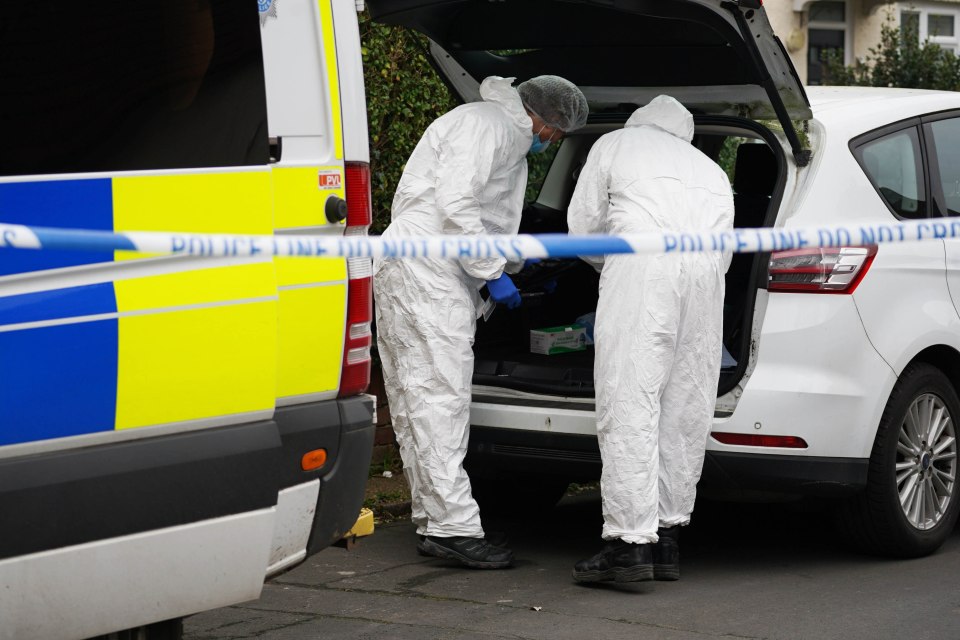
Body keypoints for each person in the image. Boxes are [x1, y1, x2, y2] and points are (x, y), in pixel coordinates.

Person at [373, 75, 589, 569]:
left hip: (425, 272)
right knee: (438, 400)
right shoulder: (487, 126)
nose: (550, 142)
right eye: (554, 133)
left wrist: (516, 267)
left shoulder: (500, 134)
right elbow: (457, 207)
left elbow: (486, 216)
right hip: (427, 274)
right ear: (541, 117)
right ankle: (454, 528)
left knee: (418, 402)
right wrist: (493, 275)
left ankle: (436, 522)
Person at [566, 95, 734, 583]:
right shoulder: (711, 170)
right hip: (705, 283)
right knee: (685, 407)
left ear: (640, 121)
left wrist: (616, 265)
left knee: (630, 400)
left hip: (642, 270)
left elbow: (583, 228)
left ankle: (627, 545)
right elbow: (723, 251)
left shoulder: (615, 143)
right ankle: (667, 540)